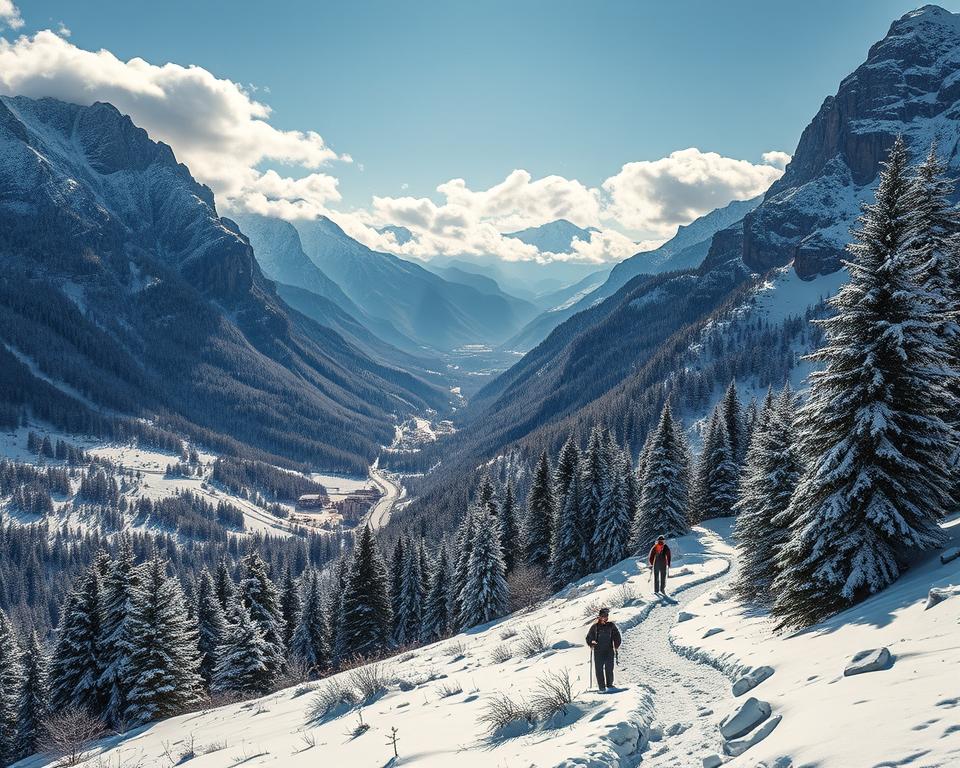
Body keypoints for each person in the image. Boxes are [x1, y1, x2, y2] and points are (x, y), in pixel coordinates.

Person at [585, 606, 622, 691]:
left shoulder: (611, 625)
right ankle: (601, 687)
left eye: (606, 616)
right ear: (600, 616)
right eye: (604, 616)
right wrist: (591, 642)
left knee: (609, 668)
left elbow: (617, 635)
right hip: (598, 651)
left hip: (609, 650)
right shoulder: (595, 627)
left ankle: (610, 685)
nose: (605, 617)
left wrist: (616, 645)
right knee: (599, 669)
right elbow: (588, 637)